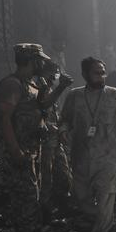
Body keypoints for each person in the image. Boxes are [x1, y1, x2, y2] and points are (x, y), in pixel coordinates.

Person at [60, 57, 116, 232]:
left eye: (103, 72)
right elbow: (65, 119)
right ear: (85, 74)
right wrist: (62, 131)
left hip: (109, 156)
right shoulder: (74, 96)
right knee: (81, 196)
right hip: (81, 156)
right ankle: (99, 219)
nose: (102, 76)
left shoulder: (114, 94)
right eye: (96, 72)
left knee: (106, 195)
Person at [0, 44, 50, 232]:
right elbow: (4, 118)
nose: (43, 63)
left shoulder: (31, 84)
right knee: (24, 192)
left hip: (32, 147)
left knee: (31, 190)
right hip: (19, 149)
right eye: (40, 60)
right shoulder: (12, 84)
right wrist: (15, 150)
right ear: (31, 61)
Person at [37, 60, 74, 219]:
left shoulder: (50, 89)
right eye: (50, 73)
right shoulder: (37, 89)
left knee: (64, 174)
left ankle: (63, 205)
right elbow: (41, 110)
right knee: (46, 177)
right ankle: (45, 210)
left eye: (55, 74)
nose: (53, 77)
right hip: (44, 142)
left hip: (55, 141)